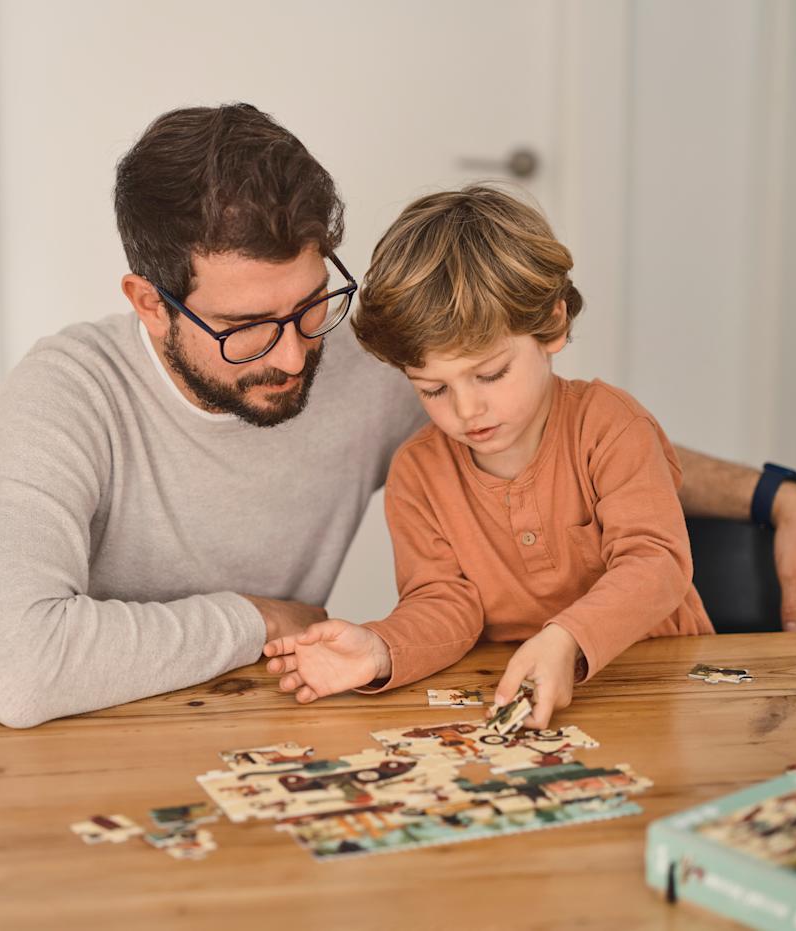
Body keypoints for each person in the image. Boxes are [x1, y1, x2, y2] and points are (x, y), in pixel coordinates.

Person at [0, 103, 796, 729]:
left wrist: (779, 496)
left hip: (320, 722)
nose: (292, 354)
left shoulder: (379, 362)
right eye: (245, 328)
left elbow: (583, 447)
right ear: (150, 302)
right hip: (130, 729)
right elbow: (18, 665)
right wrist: (266, 621)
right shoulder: (66, 393)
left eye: (312, 303)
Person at [264, 186, 718, 726]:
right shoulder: (417, 473)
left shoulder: (614, 427)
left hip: (657, 686)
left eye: (490, 374)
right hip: (516, 701)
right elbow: (443, 603)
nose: (466, 409)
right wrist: (380, 650)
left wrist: (567, 637)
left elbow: (656, 564)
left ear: (552, 325)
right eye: (432, 389)